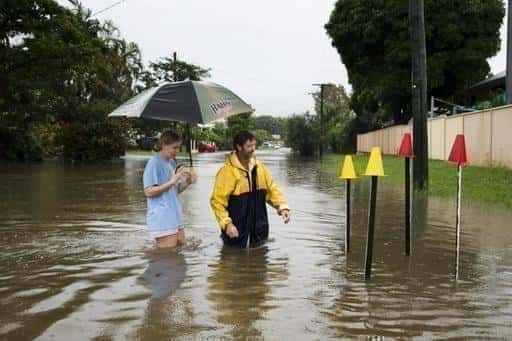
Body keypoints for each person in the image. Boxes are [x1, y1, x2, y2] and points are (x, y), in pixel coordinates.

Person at [210, 130, 291, 248]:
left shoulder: (260, 168)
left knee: (260, 259)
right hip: (235, 231)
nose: (253, 149)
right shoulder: (227, 172)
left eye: (254, 145)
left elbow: (272, 189)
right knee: (232, 260)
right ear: (238, 147)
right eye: (249, 146)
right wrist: (227, 224)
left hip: (259, 229)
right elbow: (217, 202)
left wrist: (283, 207)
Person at [143, 130, 197, 248]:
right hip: (162, 217)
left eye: (179, 147)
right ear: (163, 145)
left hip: (175, 215)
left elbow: (174, 190)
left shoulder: (171, 163)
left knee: (179, 253)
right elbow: (148, 192)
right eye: (174, 148)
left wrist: (188, 182)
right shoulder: (154, 163)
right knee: (167, 259)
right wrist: (172, 181)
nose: (177, 151)